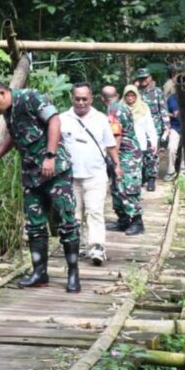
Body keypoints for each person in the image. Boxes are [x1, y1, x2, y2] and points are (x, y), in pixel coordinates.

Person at [0, 81, 81, 292]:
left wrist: (50, 156)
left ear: (2, 93)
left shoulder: (30, 97)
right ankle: (39, 273)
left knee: (67, 222)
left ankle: (73, 274)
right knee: (34, 226)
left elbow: (54, 121)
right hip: (31, 174)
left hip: (55, 171)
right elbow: (13, 136)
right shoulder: (8, 111)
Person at [60, 82, 120, 266]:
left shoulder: (101, 118)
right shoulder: (62, 118)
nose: (81, 102)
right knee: (74, 214)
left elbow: (110, 144)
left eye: (84, 99)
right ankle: (76, 244)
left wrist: (117, 165)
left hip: (95, 174)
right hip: (70, 176)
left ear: (91, 99)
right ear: (72, 98)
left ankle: (96, 247)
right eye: (77, 99)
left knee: (94, 211)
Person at [101, 85, 144, 236]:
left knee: (127, 187)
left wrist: (114, 160)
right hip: (125, 153)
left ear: (101, 99)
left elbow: (116, 137)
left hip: (126, 155)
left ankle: (136, 221)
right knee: (117, 187)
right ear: (118, 95)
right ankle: (124, 220)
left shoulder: (114, 111)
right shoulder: (122, 107)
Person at [135, 68, 170, 192]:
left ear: (150, 78)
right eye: (140, 78)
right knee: (140, 154)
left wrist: (166, 127)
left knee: (152, 154)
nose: (143, 81)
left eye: (145, 78)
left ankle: (151, 178)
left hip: (154, 128)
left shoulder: (157, 92)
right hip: (139, 127)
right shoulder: (135, 93)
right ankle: (142, 177)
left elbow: (163, 109)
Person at [122, 85, 159, 183]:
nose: (130, 98)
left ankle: (150, 180)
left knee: (146, 161)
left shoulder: (143, 108)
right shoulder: (120, 108)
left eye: (132, 96)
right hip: (125, 144)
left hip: (141, 141)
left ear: (136, 96)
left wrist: (153, 142)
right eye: (128, 96)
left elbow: (150, 126)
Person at [163, 92, 182, 181]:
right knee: (171, 148)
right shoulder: (171, 98)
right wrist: (173, 115)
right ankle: (171, 171)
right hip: (175, 127)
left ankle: (183, 171)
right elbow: (164, 112)